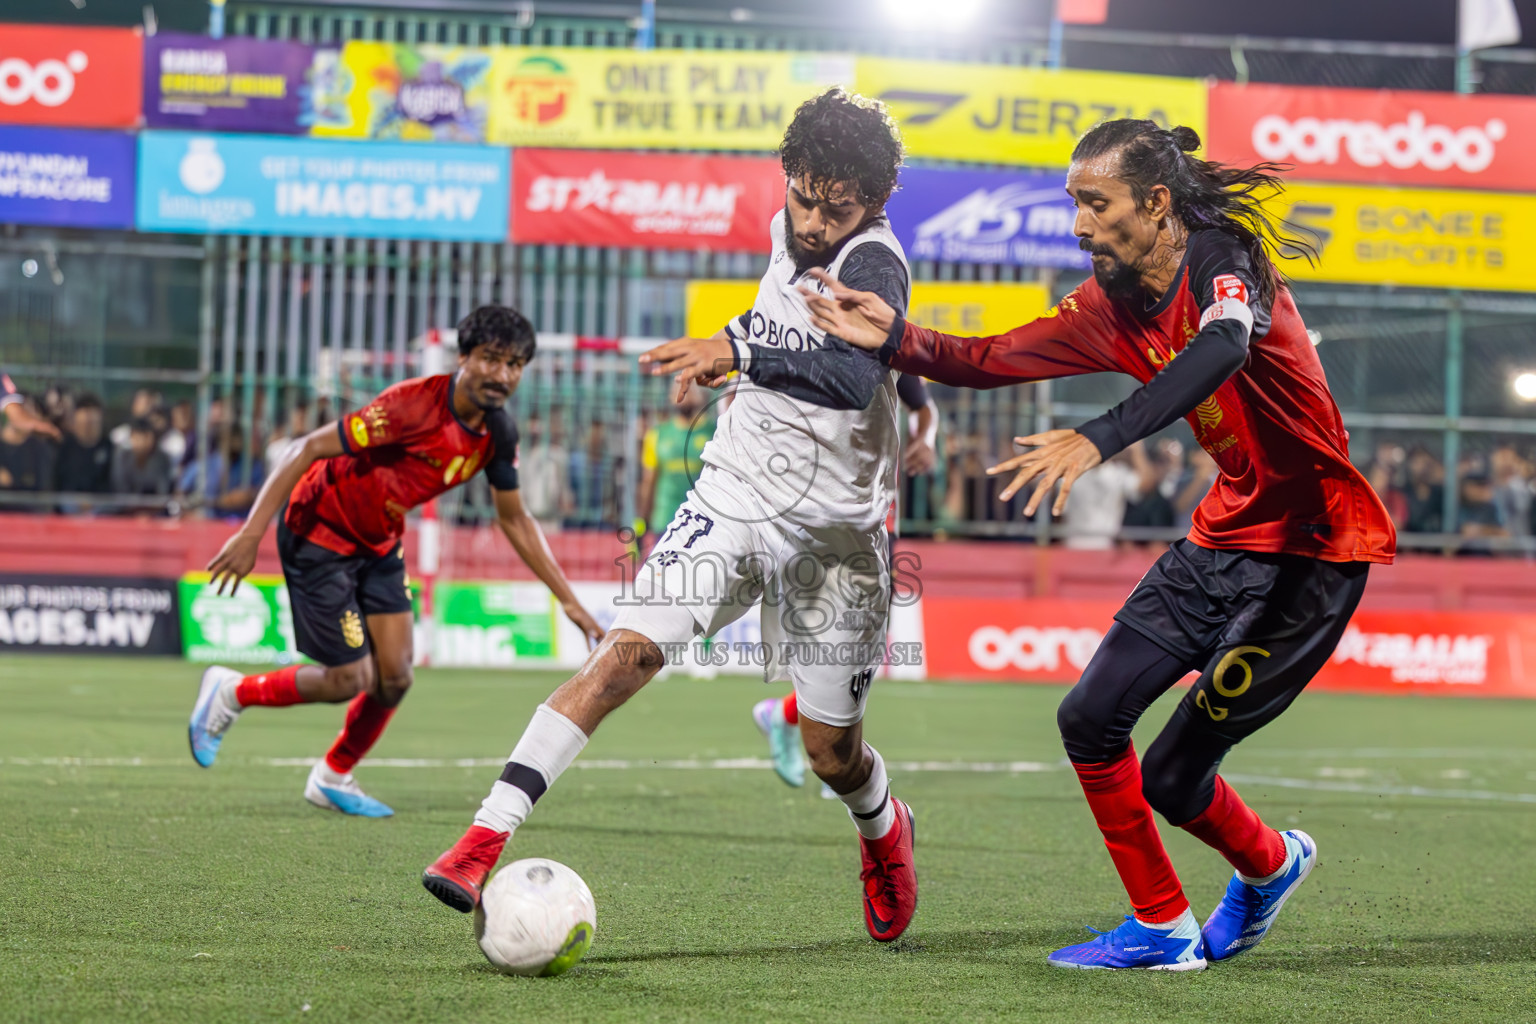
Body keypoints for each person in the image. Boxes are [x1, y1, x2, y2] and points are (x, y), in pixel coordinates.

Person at [801, 118, 1396, 970]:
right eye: (1072, 202)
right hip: (1222, 536)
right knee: (1088, 718)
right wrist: (896, 336)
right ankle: (1161, 924)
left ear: (1157, 204)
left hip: (1311, 554)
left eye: (1095, 202)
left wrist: (1101, 436)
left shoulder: (1225, 263)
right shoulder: (1105, 304)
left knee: (1173, 777)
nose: (1078, 223)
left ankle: (1270, 863)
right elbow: (991, 356)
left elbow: (1224, 346)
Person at [423, 87, 920, 943]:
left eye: (835, 208)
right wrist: (724, 356)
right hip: (733, 495)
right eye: (801, 193)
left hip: (836, 543)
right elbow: (775, 308)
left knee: (833, 754)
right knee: (624, 657)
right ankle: (482, 838)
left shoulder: (876, 265)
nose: (810, 220)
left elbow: (851, 376)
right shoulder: (789, 225)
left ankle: (883, 828)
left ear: (873, 203)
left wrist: (739, 352)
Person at [187, 305, 604, 817]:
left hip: (379, 540)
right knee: (349, 679)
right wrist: (251, 534)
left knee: (396, 676)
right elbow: (304, 449)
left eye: (515, 364)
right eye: (491, 359)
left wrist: (569, 600)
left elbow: (515, 519)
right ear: (463, 357)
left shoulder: (499, 434)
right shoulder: (411, 407)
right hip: (320, 531)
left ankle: (333, 775)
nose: (502, 375)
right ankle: (231, 692)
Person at [752, 371, 937, 790]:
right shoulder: (810, 350)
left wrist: (926, 440)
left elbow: (925, 406)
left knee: (862, 651)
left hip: (877, 526)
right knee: (835, 646)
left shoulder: (888, 349)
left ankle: (790, 721)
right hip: (817, 521)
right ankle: (829, 751)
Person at [54, 394, 114, 503]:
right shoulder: (65, 446)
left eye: (92, 412)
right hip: (70, 503)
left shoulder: (108, 446)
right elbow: (61, 480)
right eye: (85, 411)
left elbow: (111, 484)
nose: (89, 417)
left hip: (100, 506)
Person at [111, 418, 173, 503]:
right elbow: (121, 488)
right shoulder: (122, 457)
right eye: (139, 436)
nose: (143, 441)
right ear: (131, 437)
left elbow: (162, 492)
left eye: (147, 437)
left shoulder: (162, 459)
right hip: (125, 508)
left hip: (155, 508)